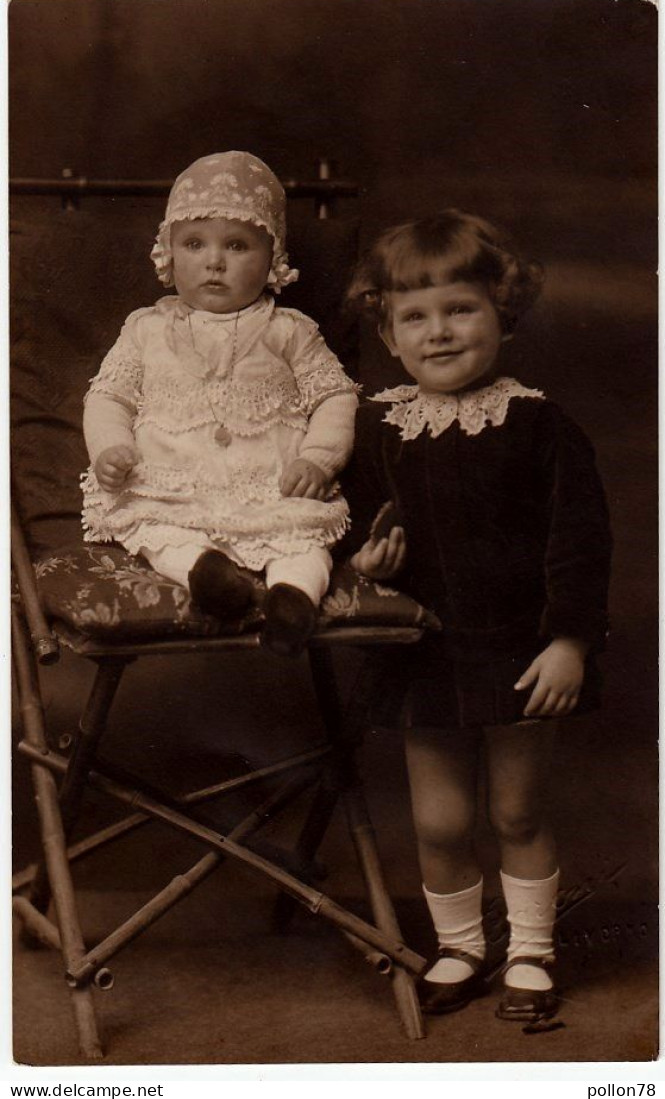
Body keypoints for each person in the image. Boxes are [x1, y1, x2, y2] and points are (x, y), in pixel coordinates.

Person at [341, 210, 612, 1023]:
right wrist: (368, 559)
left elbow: (580, 539)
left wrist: (569, 639)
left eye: (460, 309)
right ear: (388, 335)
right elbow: (354, 524)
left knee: (516, 810)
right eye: (413, 317)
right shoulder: (378, 427)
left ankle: (530, 948)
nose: (439, 332)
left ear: (501, 311)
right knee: (439, 816)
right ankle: (461, 946)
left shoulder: (539, 425)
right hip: (423, 649)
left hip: (522, 648)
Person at [82, 151, 358, 657]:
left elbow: (335, 396)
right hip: (172, 485)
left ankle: (294, 595)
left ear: (272, 256)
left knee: (304, 538)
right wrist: (110, 449)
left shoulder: (289, 331)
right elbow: (108, 396)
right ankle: (203, 571)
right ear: (168, 253)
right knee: (153, 529)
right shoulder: (145, 329)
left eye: (236, 245)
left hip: (271, 484)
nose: (214, 261)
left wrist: (318, 458)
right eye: (194, 244)